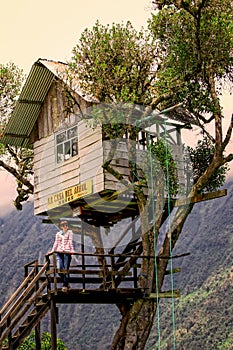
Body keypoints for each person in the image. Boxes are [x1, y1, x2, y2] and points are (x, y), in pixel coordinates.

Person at [49, 220, 75, 292]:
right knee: (59, 268)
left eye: (66, 225)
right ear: (61, 227)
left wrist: (72, 250)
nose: (65, 227)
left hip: (67, 252)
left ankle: (65, 285)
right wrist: (52, 251)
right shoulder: (58, 234)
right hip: (59, 251)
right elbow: (56, 243)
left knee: (66, 269)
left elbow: (70, 242)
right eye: (64, 225)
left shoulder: (70, 232)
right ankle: (66, 282)